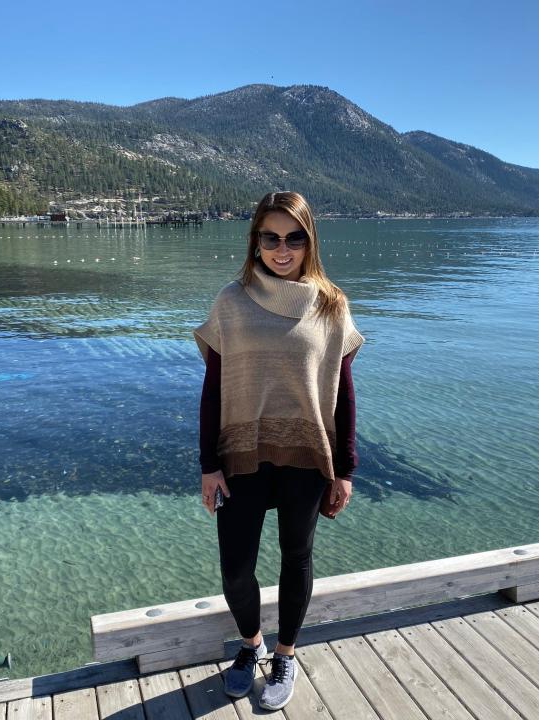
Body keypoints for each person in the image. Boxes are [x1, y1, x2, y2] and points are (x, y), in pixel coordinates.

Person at [193, 191, 364, 710]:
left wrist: (345, 469)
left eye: (294, 237)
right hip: (241, 450)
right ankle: (251, 644)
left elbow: (345, 391)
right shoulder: (231, 300)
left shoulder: (331, 303)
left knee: (297, 557)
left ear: (309, 240)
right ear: (256, 241)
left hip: (308, 455)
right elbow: (213, 388)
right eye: (271, 237)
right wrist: (208, 465)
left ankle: (285, 653)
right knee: (236, 569)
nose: (282, 248)